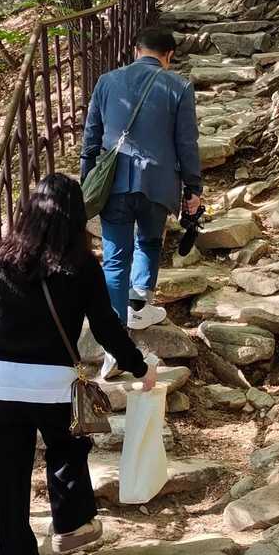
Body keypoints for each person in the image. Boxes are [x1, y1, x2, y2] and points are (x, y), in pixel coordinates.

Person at [0, 174, 157, 555]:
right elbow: (106, 328)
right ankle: (69, 524)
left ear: (29, 213)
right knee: (67, 447)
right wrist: (140, 367)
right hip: (53, 387)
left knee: (5, 486)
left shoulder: (4, 259)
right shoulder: (82, 266)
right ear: (76, 217)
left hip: (0, 386)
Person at [80, 25, 203, 359]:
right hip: (157, 183)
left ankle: (114, 339)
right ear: (169, 55)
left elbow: (90, 137)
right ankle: (139, 303)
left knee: (115, 258)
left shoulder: (107, 82)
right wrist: (193, 187)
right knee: (149, 242)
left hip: (114, 183)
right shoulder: (179, 86)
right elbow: (187, 143)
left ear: (136, 50)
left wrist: (86, 180)